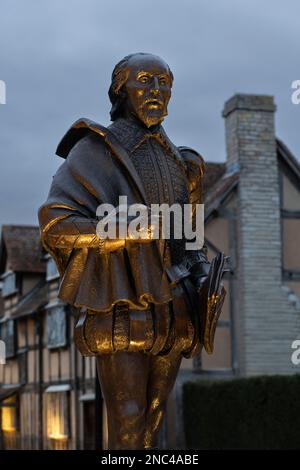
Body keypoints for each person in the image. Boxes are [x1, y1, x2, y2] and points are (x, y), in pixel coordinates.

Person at [38, 52, 211, 449]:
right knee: (128, 421)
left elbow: (187, 235)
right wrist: (129, 229)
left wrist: (201, 271)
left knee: (154, 416)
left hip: (174, 303)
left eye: (164, 83)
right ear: (120, 90)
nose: (156, 91)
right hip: (122, 302)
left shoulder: (181, 162)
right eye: (144, 81)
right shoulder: (93, 150)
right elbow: (56, 225)